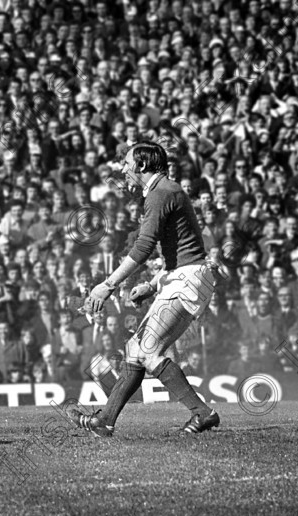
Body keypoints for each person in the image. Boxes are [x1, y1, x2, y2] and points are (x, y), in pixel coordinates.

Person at [70, 142, 222, 437]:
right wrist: (153, 284)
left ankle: (203, 413)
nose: (123, 170)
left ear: (141, 166)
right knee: (135, 350)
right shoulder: (165, 190)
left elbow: (143, 246)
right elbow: (182, 247)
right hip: (184, 276)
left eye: (126, 163)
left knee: (149, 350)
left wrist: (107, 285)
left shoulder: (160, 193)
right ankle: (105, 420)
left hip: (187, 279)